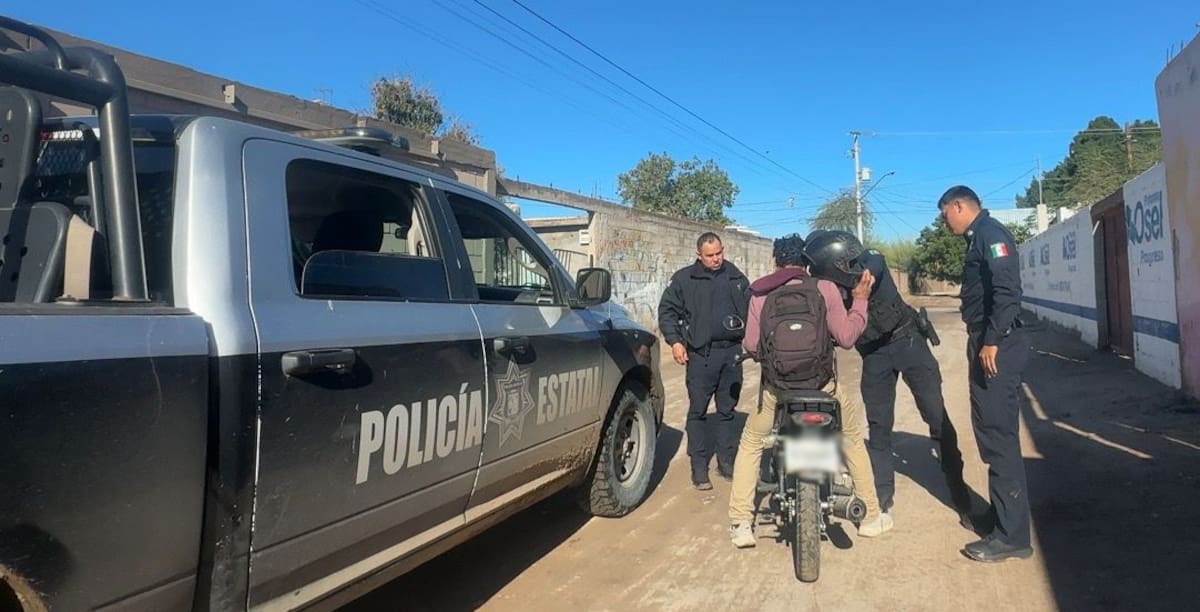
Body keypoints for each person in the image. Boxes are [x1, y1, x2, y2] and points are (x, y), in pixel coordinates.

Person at [727, 233, 892, 549]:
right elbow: (845, 337)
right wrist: (860, 300)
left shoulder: (760, 293)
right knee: (852, 439)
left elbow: (750, 344)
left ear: (775, 261)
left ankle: (741, 523)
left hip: (778, 391)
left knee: (750, 443)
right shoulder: (825, 288)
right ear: (805, 262)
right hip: (823, 388)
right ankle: (870, 518)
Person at [803, 230, 975, 529]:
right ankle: (881, 498)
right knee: (879, 427)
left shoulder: (871, 263)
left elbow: (875, 263)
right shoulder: (830, 291)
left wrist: (859, 282)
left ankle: (960, 494)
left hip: (909, 342)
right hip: (874, 355)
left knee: (935, 414)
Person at [937, 185, 1033, 562]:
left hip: (998, 347)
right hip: (987, 342)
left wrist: (991, 339)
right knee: (989, 431)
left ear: (959, 206)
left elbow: (1008, 291)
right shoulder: (980, 237)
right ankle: (1003, 517)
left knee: (998, 435)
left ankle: (1012, 537)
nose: (945, 222)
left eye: (946, 213)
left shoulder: (992, 236)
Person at [658, 232, 751, 490]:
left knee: (726, 412)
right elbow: (667, 311)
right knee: (698, 412)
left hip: (731, 353)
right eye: (710, 255)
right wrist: (675, 341)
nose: (716, 259)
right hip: (701, 356)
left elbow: (752, 310)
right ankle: (699, 468)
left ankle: (725, 462)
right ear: (699, 255)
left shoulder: (736, 277)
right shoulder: (685, 279)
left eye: (719, 253)